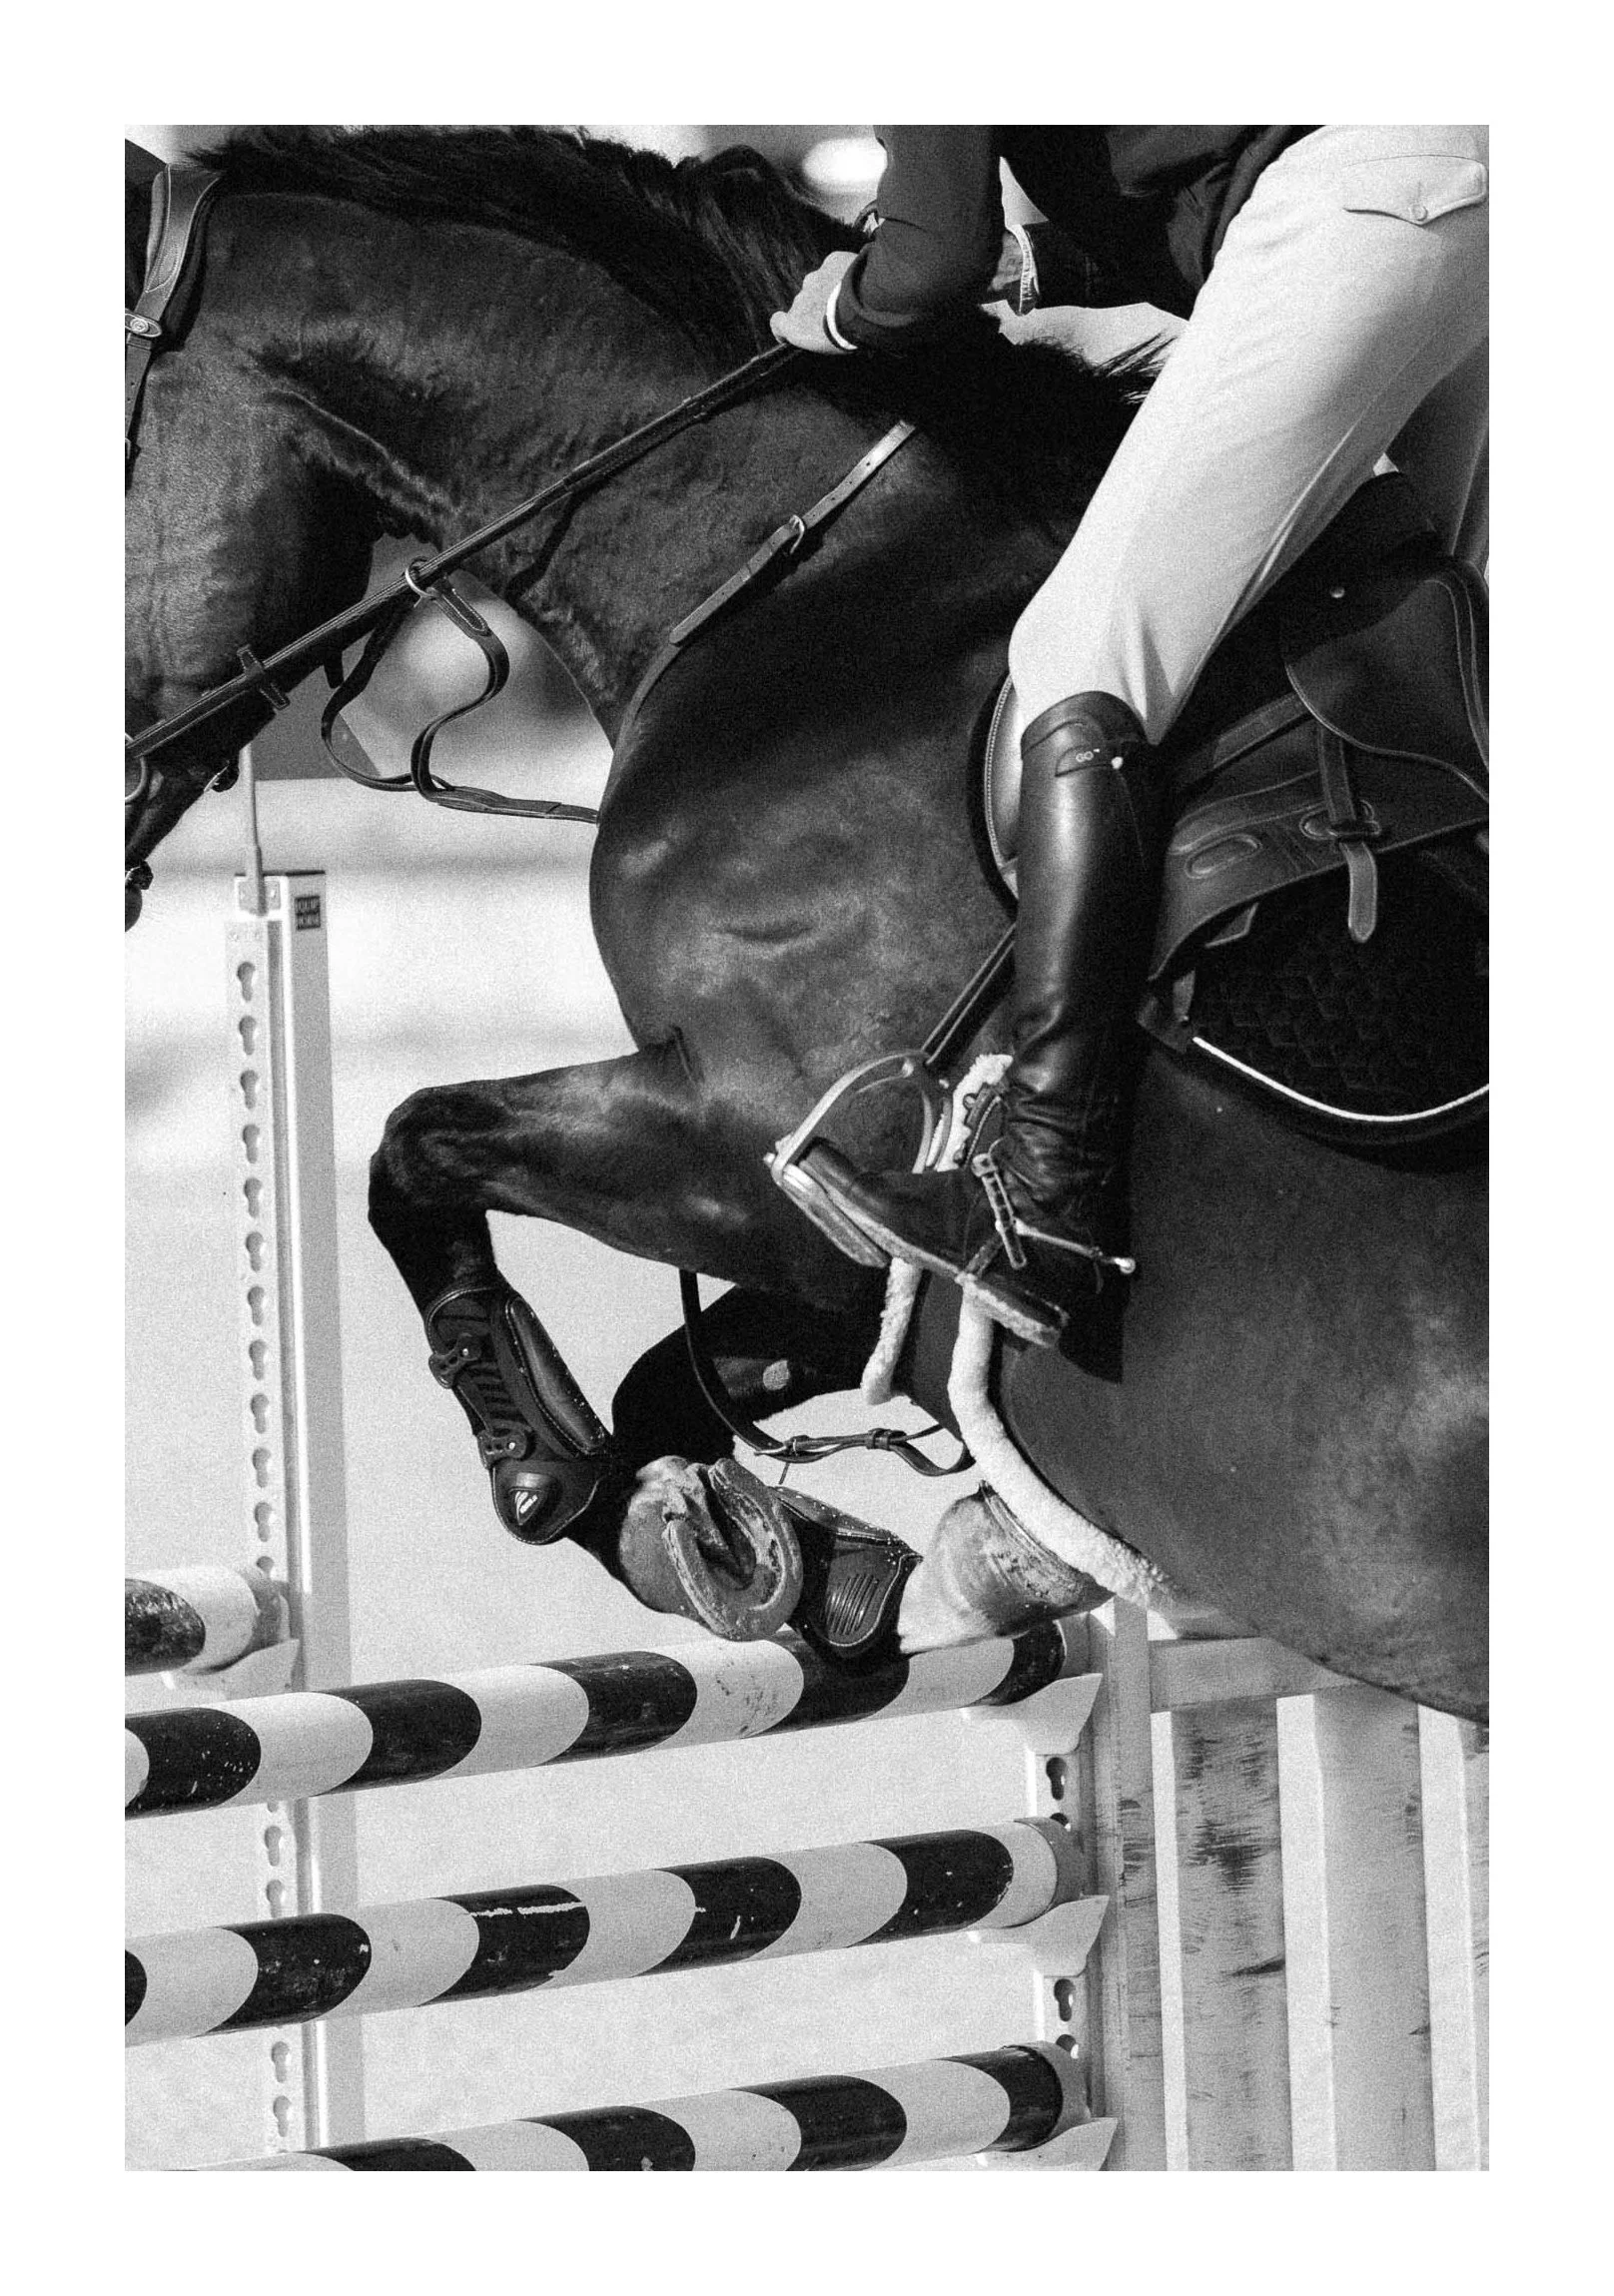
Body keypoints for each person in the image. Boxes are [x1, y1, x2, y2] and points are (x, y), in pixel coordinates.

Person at [771, 127, 1488, 1349]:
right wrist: (1048, 264)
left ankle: (1040, 1198)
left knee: (1079, 657)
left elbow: (928, 261)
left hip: (1362, 210)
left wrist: (840, 307)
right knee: (1405, 638)